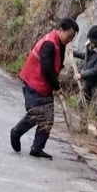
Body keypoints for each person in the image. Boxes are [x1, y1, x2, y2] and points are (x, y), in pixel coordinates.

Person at [9, 18, 79, 160]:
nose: (69, 40)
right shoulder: (49, 43)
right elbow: (47, 69)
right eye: (68, 36)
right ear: (60, 30)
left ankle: (37, 148)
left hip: (44, 85)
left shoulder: (60, 43)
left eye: (72, 38)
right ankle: (16, 132)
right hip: (33, 82)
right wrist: (57, 87)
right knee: (37, 114)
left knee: (48, 117)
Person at [73, 25, 97, 106]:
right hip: (88, 81)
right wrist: (74, 53)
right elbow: (87, 57)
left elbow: (96, 70)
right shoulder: (89, 44)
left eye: (93, 42)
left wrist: (81, 75)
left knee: (96, 108)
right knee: (81, 105)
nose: (91, 43)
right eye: (90, 40)